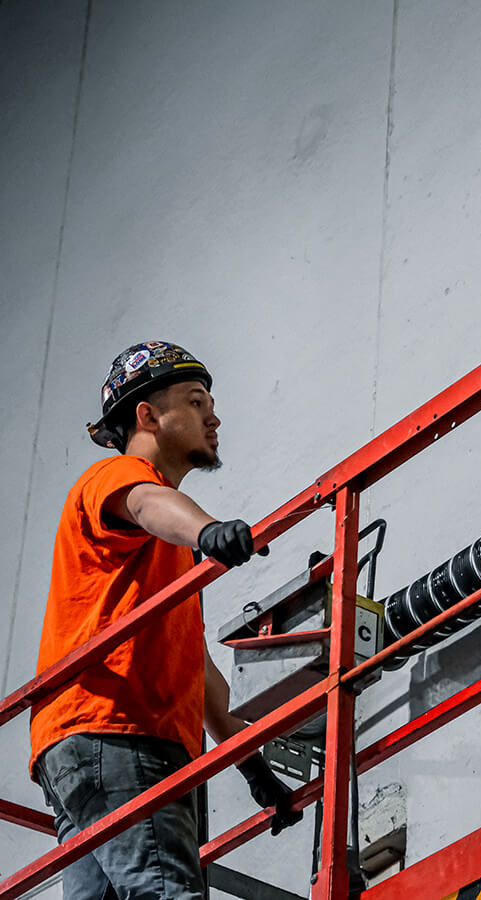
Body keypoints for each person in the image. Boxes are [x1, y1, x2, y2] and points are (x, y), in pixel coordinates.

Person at [29, 341, 302, 900]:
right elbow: (146, 501)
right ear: (147, 415)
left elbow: (195, 673)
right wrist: (207, 530)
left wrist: (251, 766)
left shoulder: (167, 556)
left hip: (82, 748)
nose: (214, 416)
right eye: (196, 401)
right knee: (168, 893)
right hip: (124, 735)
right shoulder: (114, 477)